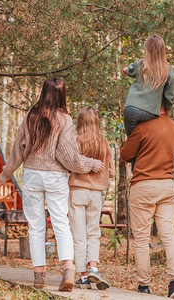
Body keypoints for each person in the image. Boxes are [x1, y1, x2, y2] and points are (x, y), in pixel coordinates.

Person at [0, 78, 104, 292]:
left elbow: (19, 150)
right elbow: (68, 157)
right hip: (55, 177)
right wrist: (91, 164)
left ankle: (39, 276)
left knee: (36, 227)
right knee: (61, 224)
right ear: (62, 95)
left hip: (32, 175)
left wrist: (4, 174)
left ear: (43, 92)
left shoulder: (30, 116)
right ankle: (68, 270)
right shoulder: (64, 120)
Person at [120, 106, 174, 299]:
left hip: (143, 185)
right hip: (167, 185)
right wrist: (164, 163)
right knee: (168, 233)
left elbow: (125, 155)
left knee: (142, 238)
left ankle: (144, 286)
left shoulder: (142, 128)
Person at [67, 107, 115, 290]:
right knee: (93, 233)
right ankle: (93, 266)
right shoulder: (104, 143)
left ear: (80, 121)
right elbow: (111, 172)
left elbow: (70, 164)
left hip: (77, 191)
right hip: (96, 194)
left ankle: (83, 275)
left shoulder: (74, 141)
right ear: (97, 121)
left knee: (78, 235)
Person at [122, 34, 174, 137]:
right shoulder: (168, 70)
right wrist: (167, 111)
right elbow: (170, 96)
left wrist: (126, 69)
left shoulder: (141, 64)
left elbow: (130, 70)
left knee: (132, 140)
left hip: (130, 109)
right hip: (149, 112)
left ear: (147, 49)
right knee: (148, 138)